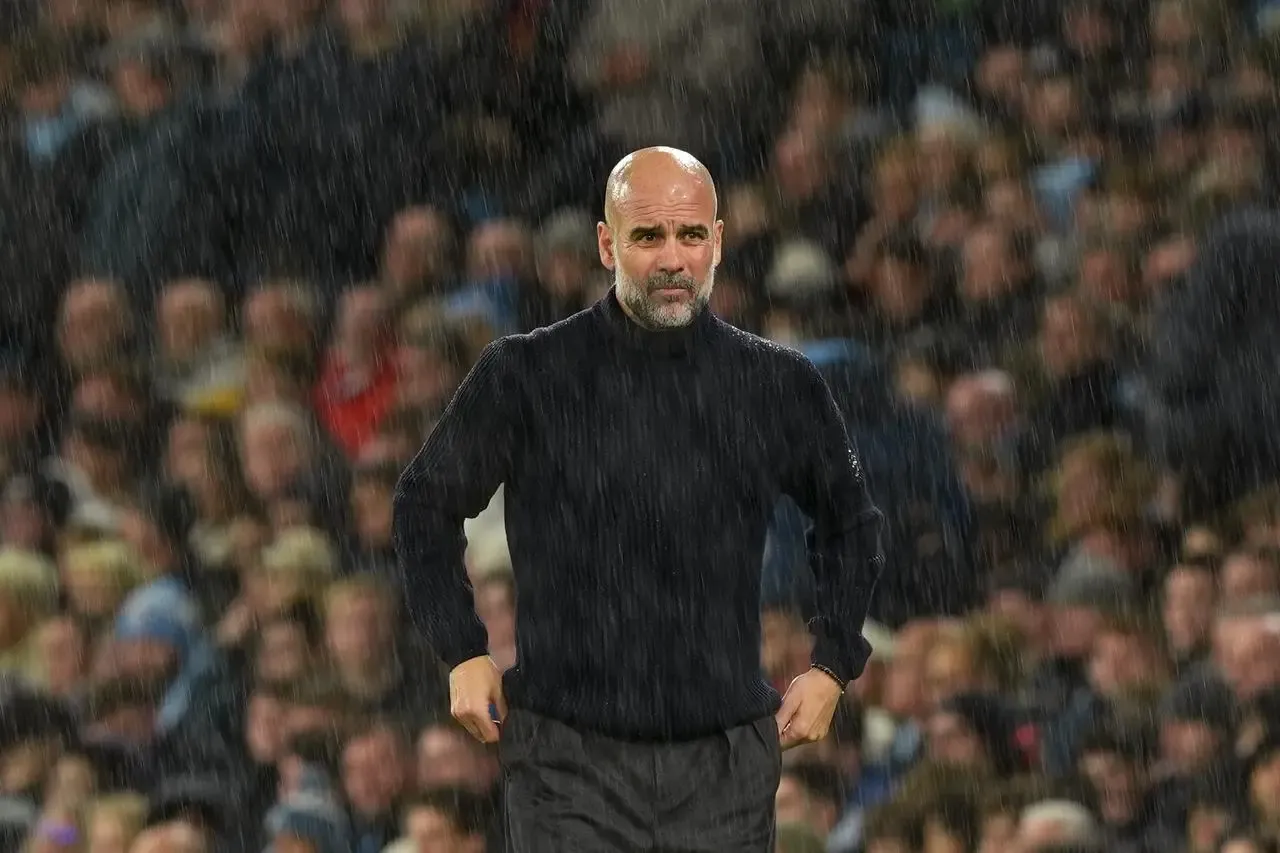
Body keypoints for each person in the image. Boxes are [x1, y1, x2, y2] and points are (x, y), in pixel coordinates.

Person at [392, 146, 885, 851]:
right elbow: (421, 504)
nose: (672, 258)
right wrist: (462, 649)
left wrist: (836, 661)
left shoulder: (778, 384)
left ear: (718, 241)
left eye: (690, 235)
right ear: (606, 243)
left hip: (725, 759)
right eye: (648, 236)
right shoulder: (527, 374)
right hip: (567, 759)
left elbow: (851, 522)